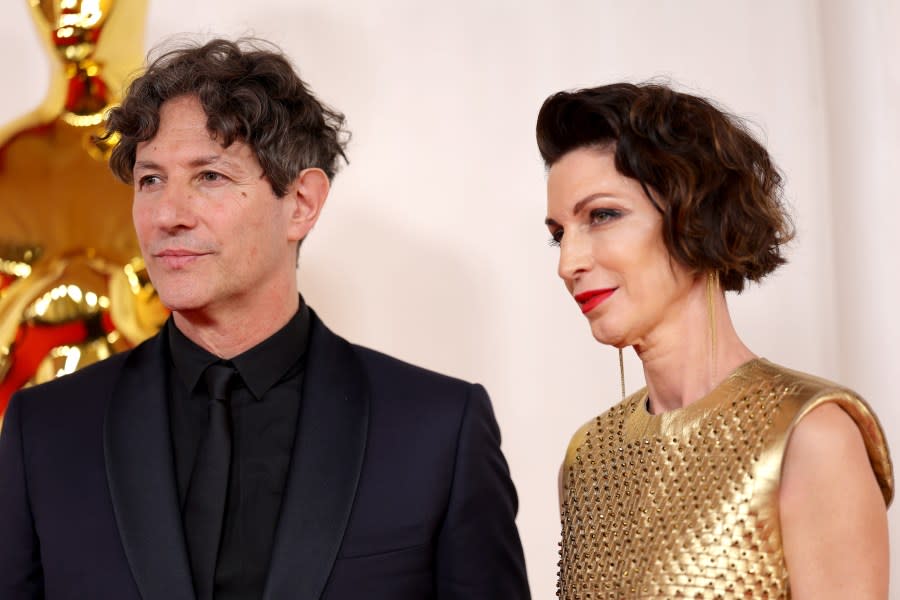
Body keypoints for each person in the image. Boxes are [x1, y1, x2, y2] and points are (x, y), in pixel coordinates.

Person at [0, 38, 530, 600]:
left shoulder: (436, 431)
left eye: (210, 176)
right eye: (150, 180)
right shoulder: (47, 431)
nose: (167, 216)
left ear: (301, 203)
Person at [537, 83, 892, 599]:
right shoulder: (589, 458)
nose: (569, 263)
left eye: (602, 216)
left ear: (693, 215)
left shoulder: (810, 437)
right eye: (559, 232)